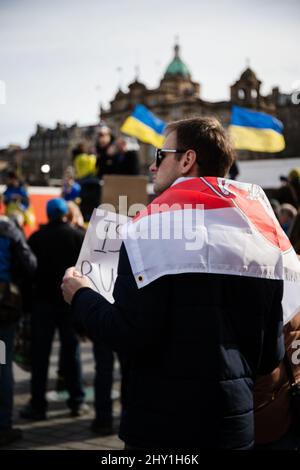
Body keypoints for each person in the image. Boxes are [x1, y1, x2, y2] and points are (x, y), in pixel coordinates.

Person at [62, 117, 285, 450]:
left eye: (159, 155)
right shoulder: (264, 235)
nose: (152, 167)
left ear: (186, 160)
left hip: (162, 428)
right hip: (233, 425)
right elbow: (270, 356)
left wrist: (80, 296)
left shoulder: (147, 230)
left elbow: (129, 334)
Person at [20, 199, 87, 420]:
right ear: (65, 214)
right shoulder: (78, 236)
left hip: (42, 304)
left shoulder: (37, 238)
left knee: (40, 356)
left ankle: (38, 405)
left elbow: (28, 270)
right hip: (70, 303)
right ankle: (76, 401)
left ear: (48, 215)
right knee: (72, 352)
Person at [0, 215, 37, 446]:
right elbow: (30, 265)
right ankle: (3, 426)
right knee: (2, 365)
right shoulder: (7, 229)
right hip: (3, 308)